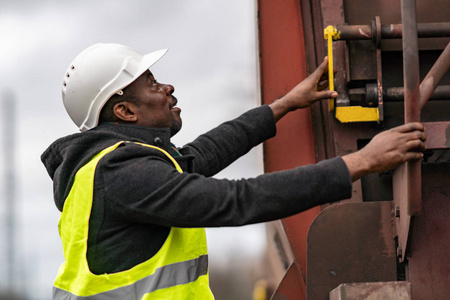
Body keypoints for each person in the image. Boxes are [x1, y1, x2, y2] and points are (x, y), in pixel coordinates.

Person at [41, 43, 426, 300]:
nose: (168, 87)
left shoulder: (106, 171)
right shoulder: (123, 175)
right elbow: (236, 201)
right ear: (125, 112)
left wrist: (283, 105)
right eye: (152, 84)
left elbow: (200, 155)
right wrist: (362, 162)